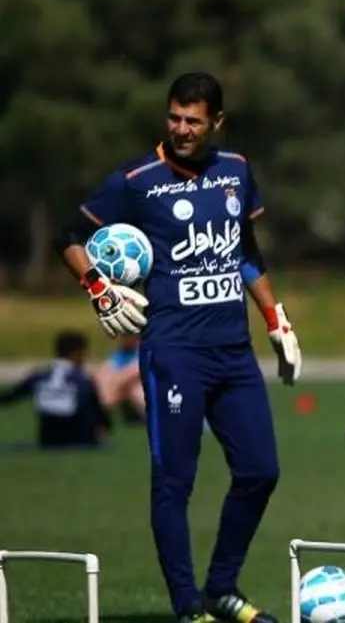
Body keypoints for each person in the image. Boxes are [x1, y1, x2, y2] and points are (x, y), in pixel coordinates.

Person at [52, 72, 302, 623]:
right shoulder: (136, 180)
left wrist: (275, 319)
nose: (182, 129)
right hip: (173, 353)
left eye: (194, 120)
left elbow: (247, 252)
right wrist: (98, 288)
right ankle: (189, 607)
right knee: (174, 481)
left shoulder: (236, 171)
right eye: (174, 118)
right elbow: (68, 236)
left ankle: (222, 588)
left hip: (233, 352)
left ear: (217, 122)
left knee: (261, 470)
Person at [0, 330, 111, 449]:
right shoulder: (83, 380)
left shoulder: (39, 376)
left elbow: (10, 397)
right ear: (77, 354)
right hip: (79, 439)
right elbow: (102, 416)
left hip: (47, 438)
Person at [94, 334, 146, 423]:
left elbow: (136, 371)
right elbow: (107, 369)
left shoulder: (143, 350)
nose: (125, 340)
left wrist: (117, 382)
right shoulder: (119, 353)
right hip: (120, 389)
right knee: (103, 383)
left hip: (137, 385)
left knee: (137, 391)